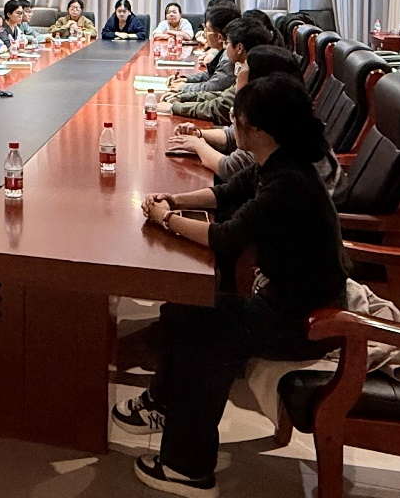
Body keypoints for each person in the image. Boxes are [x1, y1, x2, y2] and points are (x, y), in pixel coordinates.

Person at [114, 73, 349, 494]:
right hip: (283, 301)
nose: (232, 126)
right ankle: (163, 405)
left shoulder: (290, 183)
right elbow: (224, 194)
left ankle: (188, 468)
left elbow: (225, 236)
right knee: (184, 306)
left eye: (237, 120)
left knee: (206, 332)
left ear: (258, 129)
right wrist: (174, 200)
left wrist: (167, 220)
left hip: (306, 320)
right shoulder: (276, 163)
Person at [167, 46, 340, 195]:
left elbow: (229, 169)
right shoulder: (283, 107)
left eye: (242, 68)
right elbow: (233, 135)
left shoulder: (274, 125)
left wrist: (197, 145)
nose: (237, 75)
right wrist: (199, 134)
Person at [165, 16, 272, 123]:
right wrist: (184, 97)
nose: (225, 47)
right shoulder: (250, 64)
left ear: (239, 48)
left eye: (227, 43)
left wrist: (174, 107)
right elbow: (224, 95)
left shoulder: (251, 72)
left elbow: (220, 107)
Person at [170, 6, 240, 91]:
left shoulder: (228, 57)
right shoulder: (224, 52)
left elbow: (214, 86)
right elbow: (212, 74)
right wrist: (186, 79)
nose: (204, 33)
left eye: (207, 30)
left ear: (219, 37)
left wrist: (183, 87)